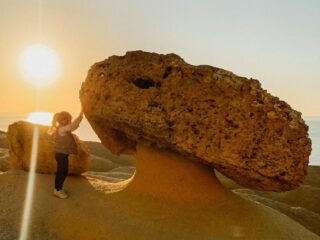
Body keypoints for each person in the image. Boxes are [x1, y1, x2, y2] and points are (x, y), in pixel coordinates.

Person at [49, 110, 83, 199]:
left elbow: (73, 126)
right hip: (60, 155)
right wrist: (80, 116)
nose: (70, 121)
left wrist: (80, 116)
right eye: (69, 120)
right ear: (64, 121)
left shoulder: (62, 128)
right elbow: (72, 126)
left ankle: (58, 188)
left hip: (62, 155)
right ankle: (57, 190)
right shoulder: (61, 129)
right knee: (62, 172)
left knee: (64, 172)